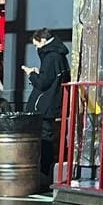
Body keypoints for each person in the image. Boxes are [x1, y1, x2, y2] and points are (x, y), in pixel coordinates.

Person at [23, 28, 71, 182]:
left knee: (45, 138)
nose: (36, 48)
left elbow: (43, 83)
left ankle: (45, 172)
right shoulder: (59, 55)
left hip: (45, 104)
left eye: (36, 45)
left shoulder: (50, 57)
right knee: (49, 136)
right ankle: (48, 171)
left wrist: (31, 74)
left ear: (43, 41)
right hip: (53, 102)